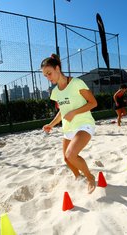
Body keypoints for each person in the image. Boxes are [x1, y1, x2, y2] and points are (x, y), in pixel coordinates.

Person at [41, 54, 97, 194]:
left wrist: (75, 112)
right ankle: (79, 177)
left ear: (57, 68)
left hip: (84, 124)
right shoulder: (55, 92)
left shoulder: (77, 83)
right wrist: (51, 124)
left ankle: (90, 177)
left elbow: (93, 103)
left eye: (49, 73)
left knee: (71, 154)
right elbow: (62, 112)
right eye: (45, 76)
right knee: (67, 159)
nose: (48, 77)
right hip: (68, 128)